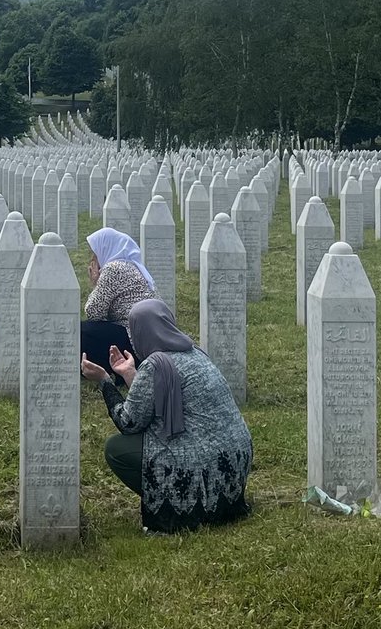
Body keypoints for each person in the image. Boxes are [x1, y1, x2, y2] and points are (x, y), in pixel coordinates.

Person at [81, 298, 252, 534]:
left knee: (116, 448)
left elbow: (129, 422)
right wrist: (131, 374)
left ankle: (176, 505)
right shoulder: (195, 352)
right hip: (235, 459)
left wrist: (105, 382)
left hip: (200, 461)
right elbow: (152, 403)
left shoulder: (155, 365)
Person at [80, 227, 155, 376]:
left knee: (80, 332)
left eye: (95, 254)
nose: (93, 260)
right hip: (147, 340)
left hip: (134, 341)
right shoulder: (131, 266)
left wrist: (95, 282)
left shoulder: (113, 269)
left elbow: (93, 311)